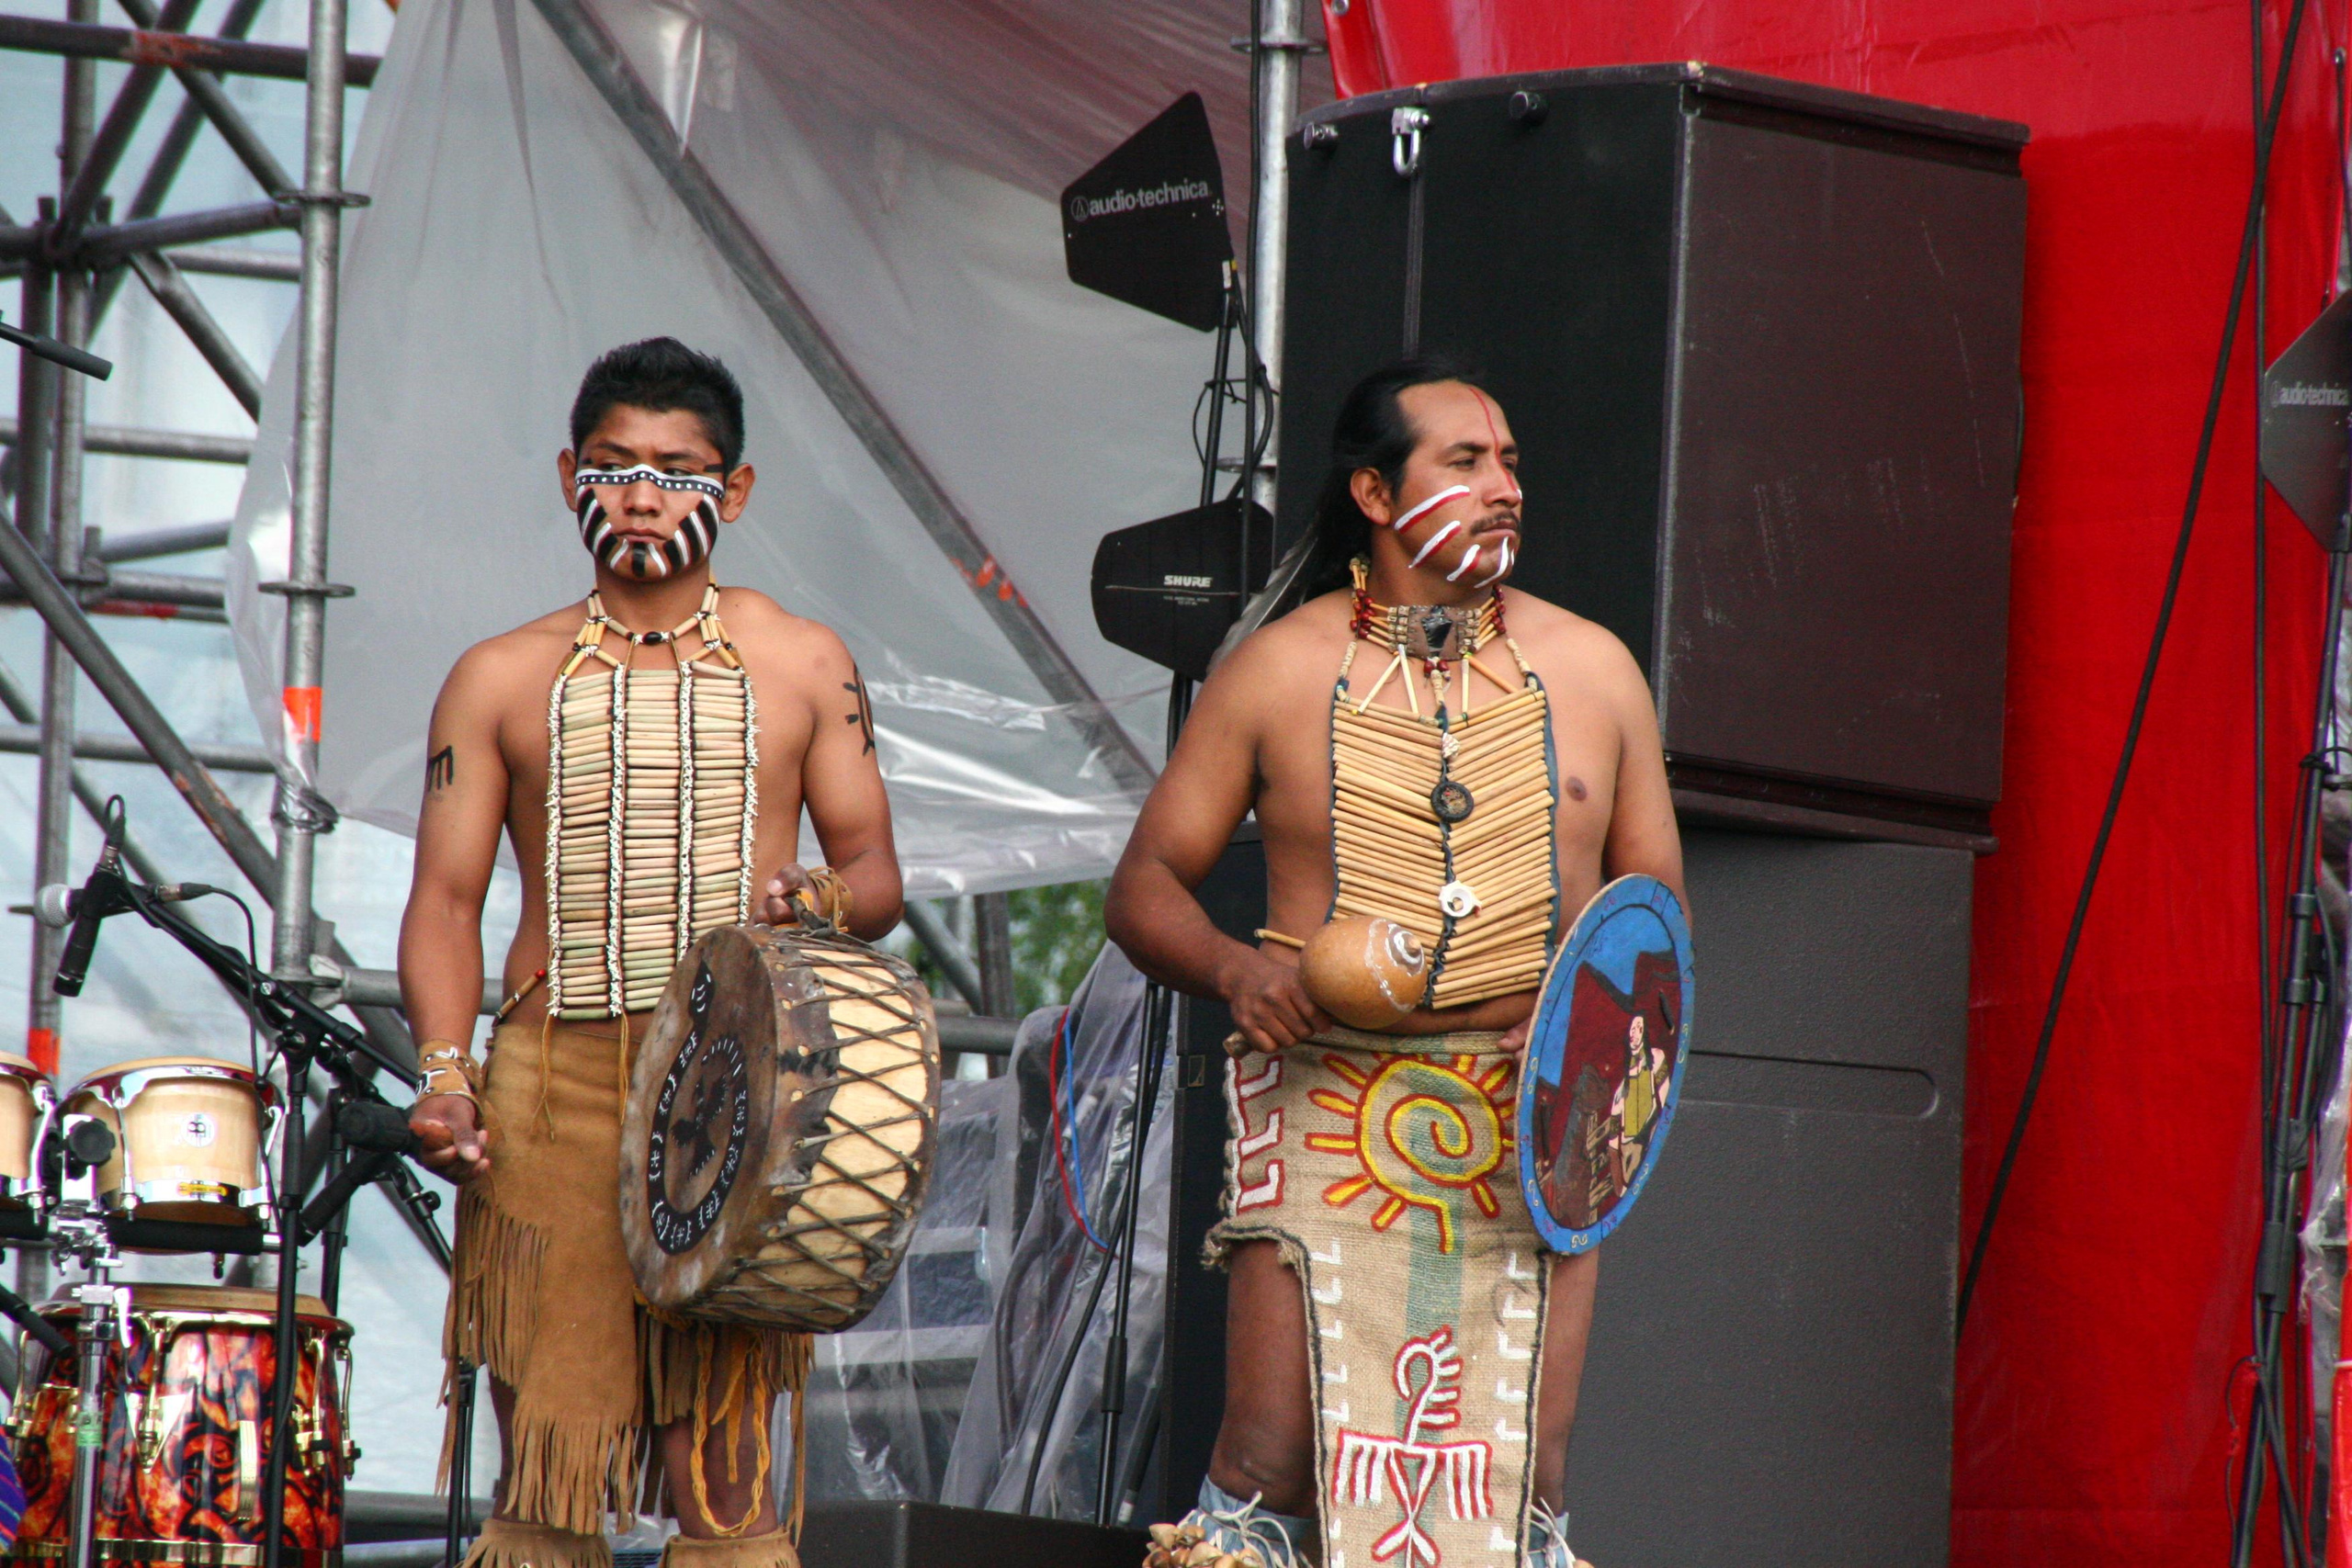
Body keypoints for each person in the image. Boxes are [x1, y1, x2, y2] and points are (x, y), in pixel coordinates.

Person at [1107, 356, 1683, 1568]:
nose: (1502, 487)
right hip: (1323, 1091)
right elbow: (1144, 888)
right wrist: (1236, 971)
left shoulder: (1595, 669)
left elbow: (1653, 910)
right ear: (1375, 493)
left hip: (1540, 1116)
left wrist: (1590, 1016)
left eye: (1511, 463)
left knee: (1519, 1474)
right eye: (1465, 463)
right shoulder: (1275, 669)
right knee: (1269, 1461)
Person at [400, 337, 903, 1568]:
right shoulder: (500, 675)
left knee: (722, 1489)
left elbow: (879, 882)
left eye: (678, 472)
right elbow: (447, 900)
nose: (640, 495)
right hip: (550, 1082)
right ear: (571, 473)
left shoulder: (804, 662)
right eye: (615, 466)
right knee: (552, 1480)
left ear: (732, 493)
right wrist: (446, 1075)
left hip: (735, 1088)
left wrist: (817, 898)